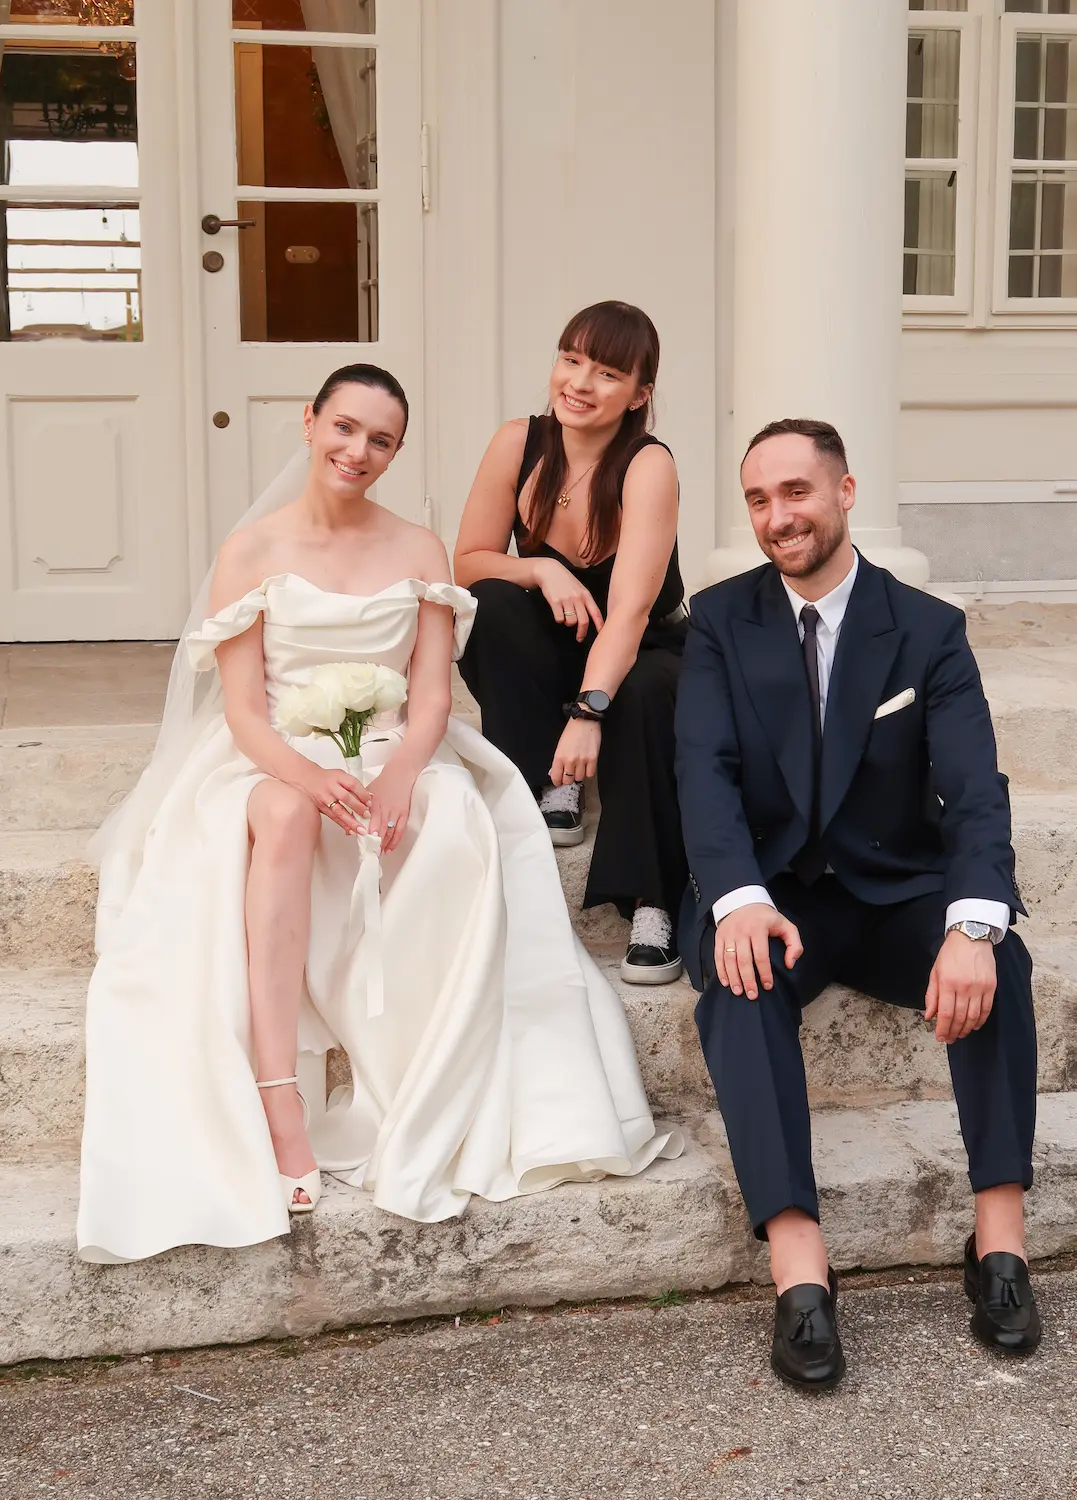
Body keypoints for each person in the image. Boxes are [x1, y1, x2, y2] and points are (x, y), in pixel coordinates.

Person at [77, 363, 681, 1264]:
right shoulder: (248, 551)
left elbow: (430, 695)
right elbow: (243, 712)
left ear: (395, 453)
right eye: (345, 428)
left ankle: (421, 1069)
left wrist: (398, 775)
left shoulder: (417, 549)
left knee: (450, 815)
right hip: (273, 756)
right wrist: (310, 777)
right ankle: (278, 1094)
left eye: (381, 440)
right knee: (285, 819)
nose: (358, 451)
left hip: (397, 749)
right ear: (310, 422)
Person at [675, 418, 1039, 1389]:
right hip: (774, 893)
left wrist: (971, 924)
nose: (776, 517)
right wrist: (736, 899)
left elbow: (975, 791)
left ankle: (998, 1242)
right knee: (739, 981)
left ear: (844, 492)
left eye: (795, 492)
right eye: (758, 500)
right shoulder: (719, 620)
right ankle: (800, 1265)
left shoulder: (926, 628)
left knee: (999, 959)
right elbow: (703, 774)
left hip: (890, 890)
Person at [454, 301, 689, 985]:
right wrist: (539, 568)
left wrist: (589, 713)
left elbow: (631, 613)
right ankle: (543, 779)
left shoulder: (647, 464)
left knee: (645, 694)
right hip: (558, 645)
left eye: (608, 373)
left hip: (644, 650)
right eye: (572, 359)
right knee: (491, 603)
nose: (580, 383)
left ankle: (651, 902)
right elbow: (466, 562)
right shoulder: (518, 442)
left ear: (639, 394)